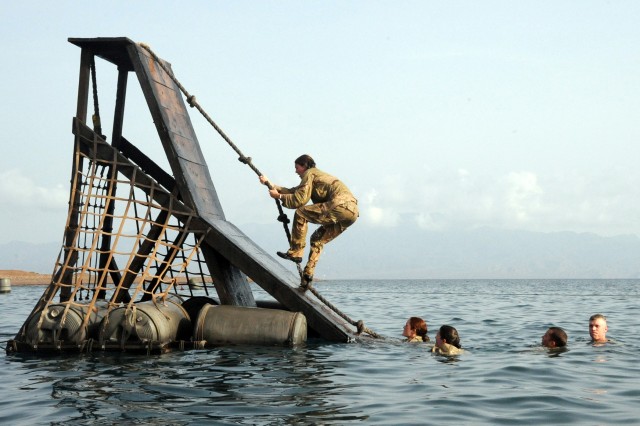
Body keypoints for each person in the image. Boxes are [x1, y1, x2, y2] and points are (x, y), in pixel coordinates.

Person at [259, 154, 358, 284]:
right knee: (317, 239)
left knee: (301, 213)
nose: (295, 171)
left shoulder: (309, 173)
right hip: (352, 213)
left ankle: (296, 252)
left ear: (304, 166)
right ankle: (308, 273)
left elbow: (299, 200)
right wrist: (270, 184)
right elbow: (295, 191)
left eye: (297, 167)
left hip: (339, 205)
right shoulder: (317, 175)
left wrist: (279, 197)